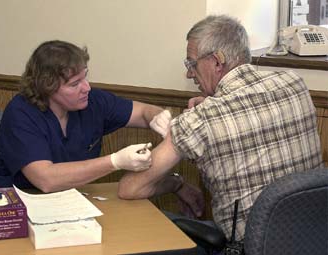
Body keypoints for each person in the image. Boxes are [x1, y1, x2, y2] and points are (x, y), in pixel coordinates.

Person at [117, 14, 324, 247]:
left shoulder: (201, 119)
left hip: (248, 245)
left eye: (191, 63)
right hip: (313, 238)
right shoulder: (294, 83)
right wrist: (214, 102)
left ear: (217, 61)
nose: (189, 74)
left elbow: (130, 188)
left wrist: (175, 182)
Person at [0, 40, 172, 193]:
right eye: (75, 83)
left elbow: (142, 112)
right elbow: (46, 179)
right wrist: (115, 161)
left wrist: (157, 116)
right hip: (12, 210)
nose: (87, 88)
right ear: (47, 87)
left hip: (70, 203)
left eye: (85, 77)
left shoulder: (92, 102)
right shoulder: (21, 113)